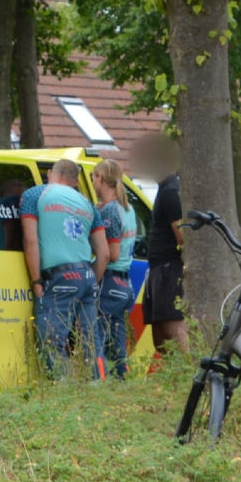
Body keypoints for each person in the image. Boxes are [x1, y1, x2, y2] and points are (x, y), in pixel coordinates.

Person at [21, 158, 106, 374]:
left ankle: (63, 392)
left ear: (50, 174)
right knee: (91, 343)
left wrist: (36, 281)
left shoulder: (34, 195)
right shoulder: (88, 204)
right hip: (86, 274)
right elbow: (104, 253)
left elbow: (30, 241)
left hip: (57, 277)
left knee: (52, 342)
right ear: (75, 181)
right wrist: (88, 281)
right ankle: (100, 389)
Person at [91, 158, 139, 379]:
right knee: (118, 336)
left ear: (100, 178)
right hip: (124, 283)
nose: (92, 182)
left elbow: (112, 253)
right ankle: (122, 379)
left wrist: (94, 278)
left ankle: (101, 380)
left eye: (93, 177)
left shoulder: (110, 211)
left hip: (110, 281)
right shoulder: (126, 209)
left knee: (97, 334)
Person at [140, 133, 188, 351]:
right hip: (158, 267)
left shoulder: (170, 191)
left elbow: (182, 235)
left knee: (171, 321)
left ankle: (192, 367)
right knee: (158, 327)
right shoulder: (164, 188)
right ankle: (172, 374)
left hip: (168, 267)